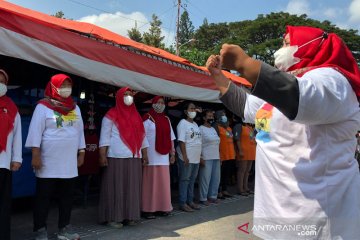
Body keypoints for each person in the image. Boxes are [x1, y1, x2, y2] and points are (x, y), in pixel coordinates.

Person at [206, 25, 360, 239]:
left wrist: (244, 63)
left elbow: (298, 97)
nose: (281, 48)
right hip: (276, 216)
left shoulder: (332, 81)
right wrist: (218, 76)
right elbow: (246, 106)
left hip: (317, 218)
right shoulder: (281, 88)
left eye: (287, 43)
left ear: (310, 47)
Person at [25, 74, 85, 240]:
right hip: (48, 162)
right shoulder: (43, 107)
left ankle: (64, 228)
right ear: (53, 86)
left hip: (68, 162)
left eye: (68, 84)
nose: (66, 87)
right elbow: (35, 131)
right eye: (62, 84)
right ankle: (40, 229)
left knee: (67, 197)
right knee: (43, 197)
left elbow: (79, 132)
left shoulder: (75, 108)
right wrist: (35, 155)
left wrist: (82, 152)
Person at [98, 87, 149, 227]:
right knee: (116, 187)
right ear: (119, 97)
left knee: (131, 187)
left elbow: (142, 137)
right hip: (116, 156)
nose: (128, 97)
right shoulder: (111, 114)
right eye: (125, 94)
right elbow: (104, 137)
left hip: (134, 156)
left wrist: (145, 154)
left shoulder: (136, 115)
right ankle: (113, 218)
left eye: (130, 94)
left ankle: (130, 216)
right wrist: (102, 155)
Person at [141, 96, 176, 219]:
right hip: (151, 156)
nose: (160, 105)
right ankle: (148, 209)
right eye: (158, 102)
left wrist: (172, 154)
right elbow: (141, 137)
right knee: (150, 184)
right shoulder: (147, 118)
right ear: (153, 104)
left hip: (164, 156)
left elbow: (171, 138)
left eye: (162, 103)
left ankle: (163, 207)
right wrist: (144, 154)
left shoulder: (166, 119)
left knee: (163, 184)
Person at [0, 69, 22, 240]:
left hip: (4, 163)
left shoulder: (11, 107)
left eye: (3, 82)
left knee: (3, 204)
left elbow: (17, 135)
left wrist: (16, 159)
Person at [176, 102, 202, 212]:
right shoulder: (182, 123)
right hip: (186, 158)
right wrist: (185, 156)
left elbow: (197, 141)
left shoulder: (195, 124)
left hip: (195, 158)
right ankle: (183, 203)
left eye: (194, 108)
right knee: (185, 180)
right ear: (186, 111)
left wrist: (200, 156)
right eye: (191, 108)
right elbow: (181, 141)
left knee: (192, 181)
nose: (194, 110)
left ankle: (190, 201)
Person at [198, 109, 220, 205]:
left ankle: (213, 196)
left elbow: (217, 143)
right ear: (204, 118)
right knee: (205, 179)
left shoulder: (213, 129)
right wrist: (200, 157)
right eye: (209, 116)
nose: (211, 118)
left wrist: (220, 156)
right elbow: (198, 144)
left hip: (216, 157)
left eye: (212, 116)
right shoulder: (200, 128)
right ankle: (203, 198)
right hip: (206, 157)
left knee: (216, 178)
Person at [215, 110, 235, 199]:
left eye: (225, 115)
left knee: (226, 174)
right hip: (222, 154)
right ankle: (218, 191)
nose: (224, 116)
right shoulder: (217, 127)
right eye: (222, 115)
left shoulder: (229, 128)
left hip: (230, 154)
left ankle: (224, 190)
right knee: (220, 174)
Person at [233, 120, 256, 196]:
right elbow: (237, 139)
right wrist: (240, 150)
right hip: (243, 151)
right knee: (242, 170)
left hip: (251, 152)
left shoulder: (251, 127)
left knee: (248, 171)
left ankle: (246, 187)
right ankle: (240, 188)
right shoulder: (239, 126)